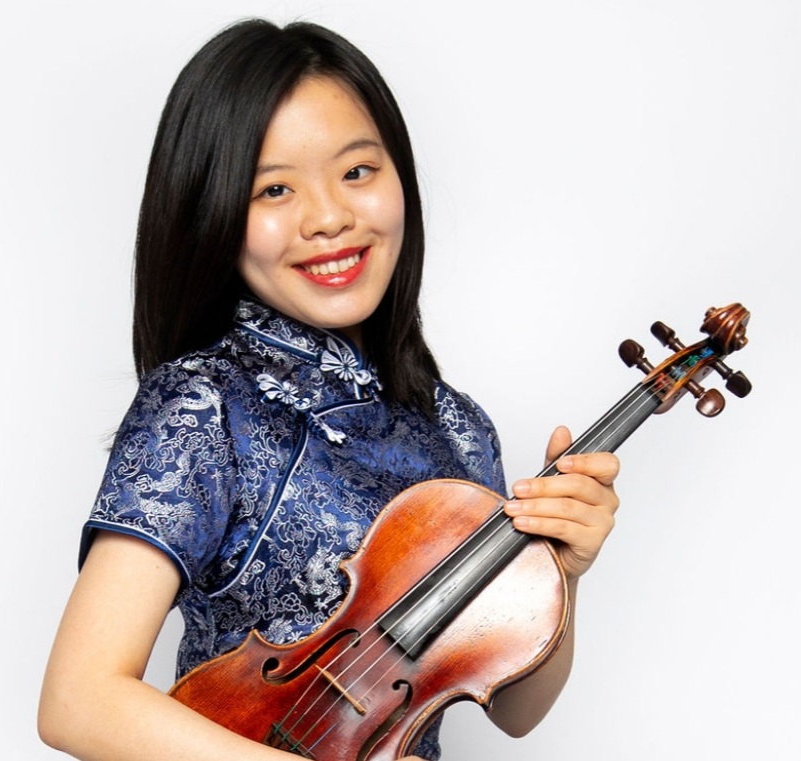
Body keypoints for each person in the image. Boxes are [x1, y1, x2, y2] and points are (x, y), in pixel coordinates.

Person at [38, 18, 619, 761]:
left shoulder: (456, 427)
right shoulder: (203, 403)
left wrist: (562, 570)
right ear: (213, 212)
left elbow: (512, 708)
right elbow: (77, 700)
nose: (329, 218)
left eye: (357, 172)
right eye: (274, 188)